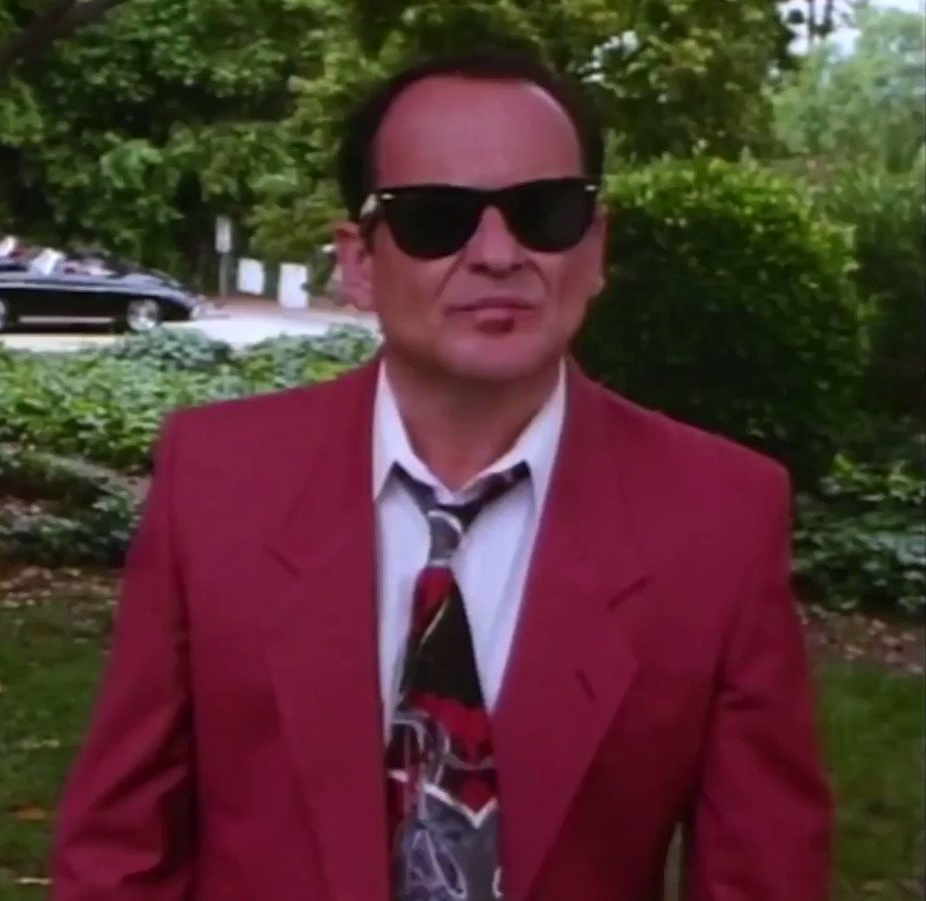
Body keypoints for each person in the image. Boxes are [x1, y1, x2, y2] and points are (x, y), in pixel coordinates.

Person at [48, 50, 834, 901]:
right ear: (358, 262)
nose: (497, 253)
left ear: (595, 246)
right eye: (436, 218)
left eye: (544, 212)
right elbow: (119, 851)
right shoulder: (215, 482)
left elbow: (764, 874)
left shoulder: (721, 517)